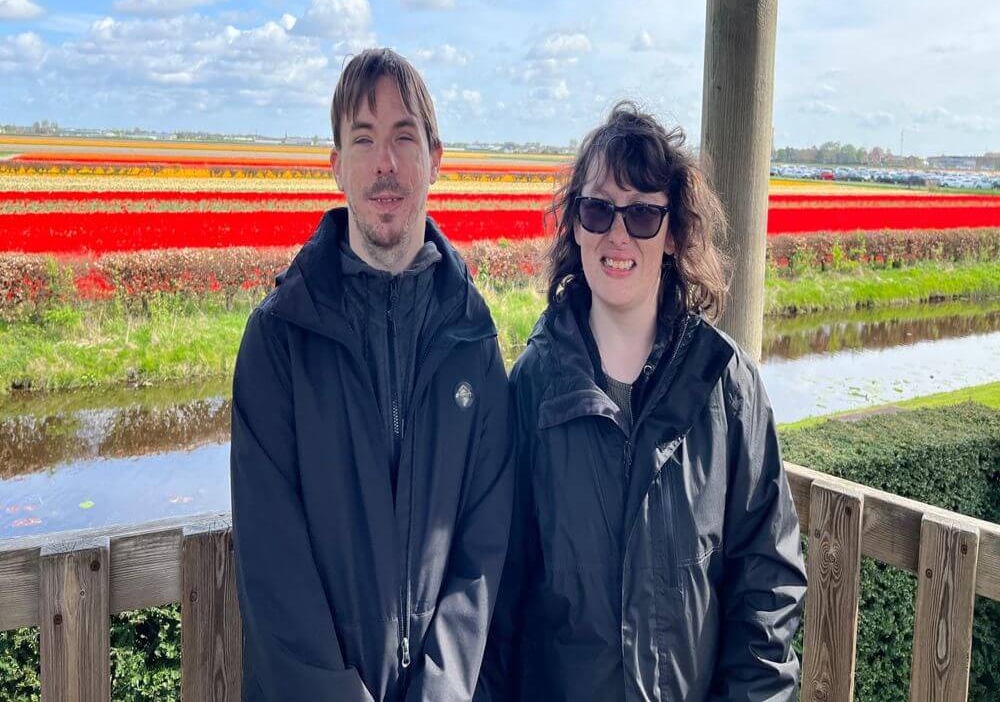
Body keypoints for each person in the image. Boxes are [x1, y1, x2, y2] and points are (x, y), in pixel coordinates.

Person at [479, 101, 807, 702]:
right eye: (598, 209)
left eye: (643, 215)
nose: (617, 234)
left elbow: (767, 585)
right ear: (575, 226)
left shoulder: (726, 386)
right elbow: (499, 600)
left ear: (675, 233)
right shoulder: (531, 388)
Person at [231, 48, 514, 702]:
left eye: (403, 137)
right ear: (336, 167)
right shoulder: (279, 339)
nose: (385, 163)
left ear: (435, 159)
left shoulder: (473, 338)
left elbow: (483, 548)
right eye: (363, 139)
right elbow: (274, 568)